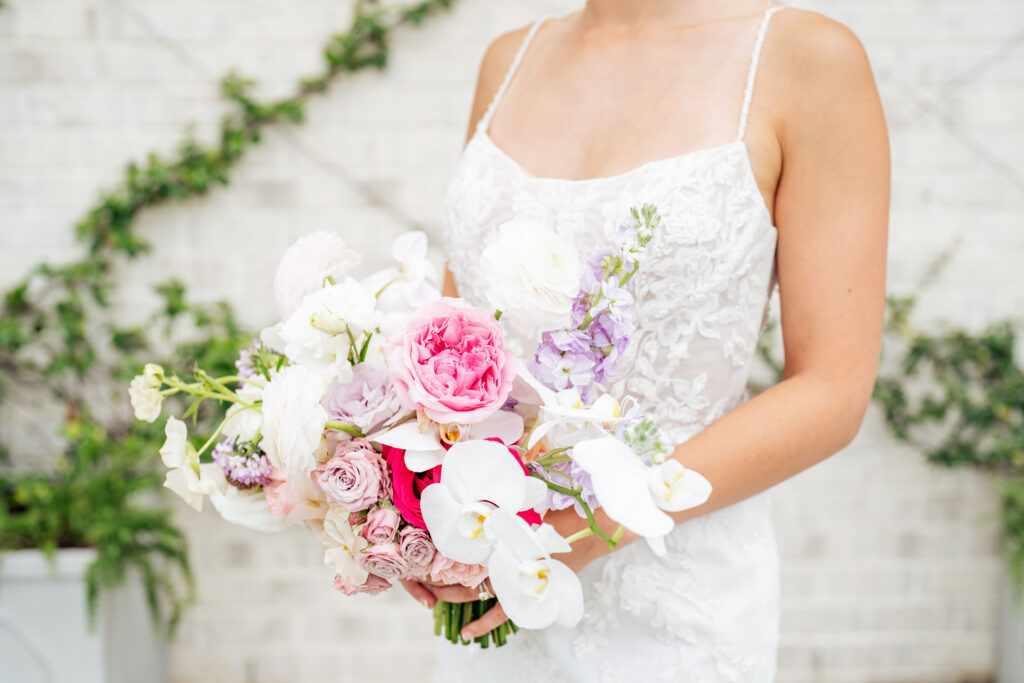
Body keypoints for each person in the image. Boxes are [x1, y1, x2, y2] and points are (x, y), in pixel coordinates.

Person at [402, 0, 890, 679]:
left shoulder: (805, 59)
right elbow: (456, 344)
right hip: (494, 591)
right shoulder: (509, 58)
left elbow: (832, 389)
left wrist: (589, 529)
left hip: (674, 607)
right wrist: (406, 504)